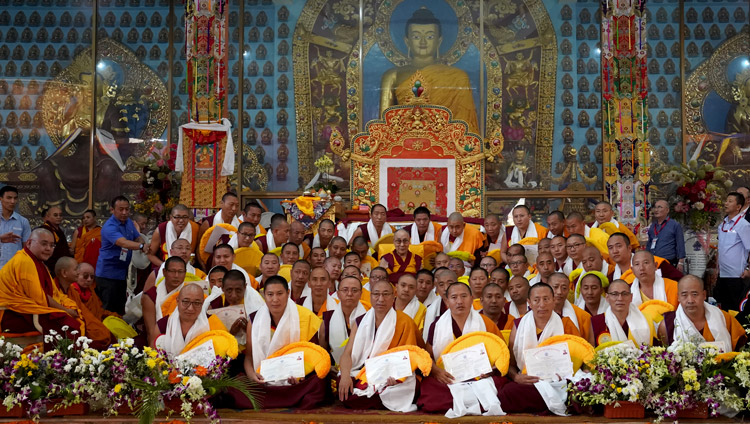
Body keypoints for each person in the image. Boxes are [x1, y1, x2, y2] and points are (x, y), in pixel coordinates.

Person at [379, 7, 478, 134]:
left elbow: (464, 128)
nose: (423, 42)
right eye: (416, 36)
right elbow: (384, 125)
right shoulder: (392, 76)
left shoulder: (458, 77)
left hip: (446, 145)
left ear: (439, 41)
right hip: (403, 145)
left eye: (430, 36)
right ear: (407, 41)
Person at [418, 282, 508, 414]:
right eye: (454, 297)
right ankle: (478, 402)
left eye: (464, 296)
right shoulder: (437, 325)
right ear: (447, 301)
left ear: (472, 299)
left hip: (480, 378)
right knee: (429, 389)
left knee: (504, 387)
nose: (459, 301)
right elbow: (427, 356)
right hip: (448, 377)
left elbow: (501, 355)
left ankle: (461, 402)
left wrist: (490, 370)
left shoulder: (486, 323)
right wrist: (437, 371)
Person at [241, 276, 328, 410]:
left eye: (280, 294)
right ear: (264, 295)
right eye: (270, 294)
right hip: (263, 378)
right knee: (234, 386)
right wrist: (251, 374)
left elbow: (314, 355)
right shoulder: (254, 320)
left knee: (318, 384)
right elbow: (249, 356)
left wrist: (300, 375)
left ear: (288, 293)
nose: (275, 299)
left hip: (297, 381)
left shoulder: (305, 316)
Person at [338, 278, 422, 411]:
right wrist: (345, 376)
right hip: (366, 373)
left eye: (386, 294)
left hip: (393, 377)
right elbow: (347, 354)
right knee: (343, 385)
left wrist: (397, 377)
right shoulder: (361, 321)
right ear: (370, 296)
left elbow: (409, 357)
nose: (381, 299)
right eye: (376, 294)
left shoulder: (405, 322)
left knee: (400, 388)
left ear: (394, 296)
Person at [500, 283, 580, 414]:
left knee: (577, 392)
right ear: (529, 303)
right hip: (528, 382)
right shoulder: (519, 325)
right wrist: (516, 378)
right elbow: (510, 363)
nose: (541, 305)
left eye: (546, 299)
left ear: (554, 301)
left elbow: (579, 361)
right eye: (536, 300)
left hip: (559, 382)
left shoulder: (566, 324)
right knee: (507, 393)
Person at [0, 228, 83, 349]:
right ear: (29, 243)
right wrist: (66, 311)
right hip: (13, 313)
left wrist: (66, 304)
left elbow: (53, 292)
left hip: (25, 309)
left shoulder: (38, 263)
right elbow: (40, 299)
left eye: (52, 245)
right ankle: (60, 362)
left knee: (70, 320)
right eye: (44, 244)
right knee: (69, 325)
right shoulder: (25, 261)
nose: (48, 249)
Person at [658, 275, 746, 352]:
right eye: (684, 295)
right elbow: (664, 358)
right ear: (678, 297)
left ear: (704, 295)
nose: (690, 300)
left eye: (695, 294)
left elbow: (740, 347)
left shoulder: (724, 318)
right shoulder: (667, 325)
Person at [96, 196, 147, 315]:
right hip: (107, 274)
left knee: (120, 309)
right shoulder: (109, 227)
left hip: (121, 274)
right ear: (112, 210)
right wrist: (140, 247)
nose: (124, 213)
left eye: (127, 209)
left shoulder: (129, 222)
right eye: (121, 209)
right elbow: (122, 242)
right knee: (108, 310)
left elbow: (137, 236)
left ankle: (120, 332)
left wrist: (142, 243)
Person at [154, 283, 230, 357]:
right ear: (177, 301)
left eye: (197, 303)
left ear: (202, 303)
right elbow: (152, 355)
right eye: (186, 302)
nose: (190, 308)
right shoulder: (164, 323)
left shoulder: (212, 322)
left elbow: (225, 351)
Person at [54, 257, 113, 349]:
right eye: (76, 269)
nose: (78, 272)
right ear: (64, 273)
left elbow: (85, 313)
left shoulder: (71, 291)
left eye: (92, 277)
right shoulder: (55, 290)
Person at [141, 256, 190, 347]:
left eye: (180, 272)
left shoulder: (190, 294)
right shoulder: (151, 296)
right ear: (164, 272)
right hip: (158, 339)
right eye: (172, 271)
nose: (176, 276)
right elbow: (151, 331)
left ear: (185, 273)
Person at [320, 276, 368, 365]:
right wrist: (329, 367)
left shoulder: (369, 318)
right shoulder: (328, 319)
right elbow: (323, 353)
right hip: (335, 369)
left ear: (361, 294)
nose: (349, 294)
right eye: (345, 290)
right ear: (338, 294)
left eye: (354, 290)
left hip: (362, 369)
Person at [591, 279, 653, 347]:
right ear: (607, 297)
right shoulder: (596, 322)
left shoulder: (646, 320)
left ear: (631, 297)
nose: (620, 298)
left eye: (624, 294)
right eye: (615, 294)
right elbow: (591, 353)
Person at [715, 192, 750, 311]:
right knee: (723, 308)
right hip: (723, 274)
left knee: (735, 309)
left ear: (738, 206)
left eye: (730, 201)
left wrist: (748, 269)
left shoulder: (743, 225)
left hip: (736, 275)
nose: (726, 204)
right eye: (726, 201)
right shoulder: (722, 225)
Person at [606, 232, 683, 283]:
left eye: (619, 246)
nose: (614, 251)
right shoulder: (612, 278)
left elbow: (681, 281)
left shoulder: (653, 263)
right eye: (610, 248)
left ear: (629, 248)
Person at [147, 204, 199, 269]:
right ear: (171, 218)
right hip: (163, 269)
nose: (181, 220)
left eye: (185, 217)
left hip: (188, 269)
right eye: (177, 217)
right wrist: (165, 266)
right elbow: (150, 254)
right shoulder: (161, 230)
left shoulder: (195, 229)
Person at [548, 272, 594, 344]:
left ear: (568, 291)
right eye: (555, 287)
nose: (559, 292)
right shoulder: (538, 315)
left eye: (564, 288)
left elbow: (588, 345)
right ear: (547, 288)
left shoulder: (583, 316)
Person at [207, 270, 248, 345]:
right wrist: (231, 333)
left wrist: (248, 329)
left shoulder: (254, 303)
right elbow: (210, 337)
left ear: (245, 287)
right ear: (222, 288)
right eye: (229, 290)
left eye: (238, 290)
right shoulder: (215, 305)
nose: (234, 295)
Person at [647, 199, 686, 269]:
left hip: (668, 262)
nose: (656, 210)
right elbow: (649, 244)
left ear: (667, 210)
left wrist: (681, 262)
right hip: (653, 262)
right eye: (655, 207)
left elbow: (680, 244)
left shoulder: (674, 225)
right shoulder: (653, 226)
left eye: (659, 207)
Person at [0, 186, 31, 268]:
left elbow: (27, 248)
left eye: (15, 198)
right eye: (9, 198)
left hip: (15, 268)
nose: (12, 201)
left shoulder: (23, 221)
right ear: (1, 199)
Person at [422, 267, 454, 339]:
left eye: (450, 283)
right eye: (441, 285)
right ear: (437, 287)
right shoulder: (431, 309)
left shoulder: (467, 305)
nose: (446, 288)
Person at [40, 206, 72, 277]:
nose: (58, 217)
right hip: (49, 266)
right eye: (55, 215)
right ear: (48, 216)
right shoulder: (44, 230)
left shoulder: (58, 230)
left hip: (60, 266)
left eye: (60, 215)